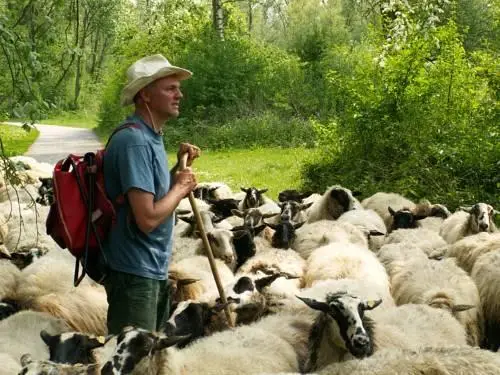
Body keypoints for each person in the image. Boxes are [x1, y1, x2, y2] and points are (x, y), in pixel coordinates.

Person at [102, 54, 200, 334]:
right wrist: (181, 188)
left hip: (153, 267)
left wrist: (179, 168)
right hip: (134, 272)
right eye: (170, 88)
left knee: (153, 357)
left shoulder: (151, 137)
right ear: (145, 94)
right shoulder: (134, 141)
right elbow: (146, 218)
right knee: (133, 361)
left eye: (178, 88)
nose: (179, 94)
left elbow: (153, 195)